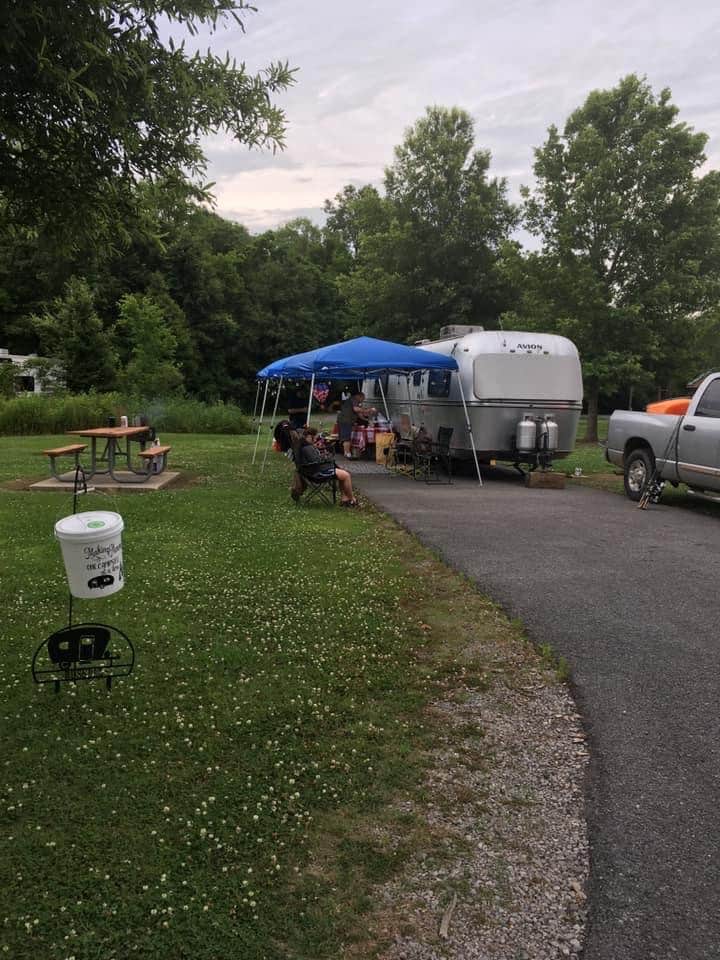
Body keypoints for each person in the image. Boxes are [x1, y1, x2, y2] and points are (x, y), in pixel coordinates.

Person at [273, 421, 358, 507]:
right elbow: (316, 460)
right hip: (316, 473)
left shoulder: (303, 445)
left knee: (342, 474)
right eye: (313, 438)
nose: (314, 440)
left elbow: (315, 458)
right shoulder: (306, 447)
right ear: (308, 436)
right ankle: (352, 500)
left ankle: (345, 499)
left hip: (311, 470)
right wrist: (327, 456)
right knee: (346, 475)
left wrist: (320, 452)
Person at [337, 390, 377, 458]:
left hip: (342, 420)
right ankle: (348, 454)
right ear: (359, 396)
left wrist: (367, 420)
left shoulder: (352, 401)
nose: (362, 401)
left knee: (345, 437)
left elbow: (359, 414)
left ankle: (345, 453)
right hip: (346, 420)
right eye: (362, 399)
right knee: (347, 438)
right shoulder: (354, 399)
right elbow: (356, 409)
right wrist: (368, 410)